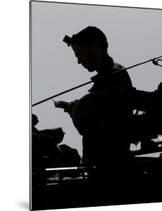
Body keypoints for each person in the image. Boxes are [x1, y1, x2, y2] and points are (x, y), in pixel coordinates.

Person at [54, 26, 135, 178]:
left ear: (94, 45)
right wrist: (71, 106)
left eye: (80, 53)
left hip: (111, 168)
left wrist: (76, 107)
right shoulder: (106, 78)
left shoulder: (115, 73)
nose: (78, 61)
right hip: (99, 166)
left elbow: (101, 111)